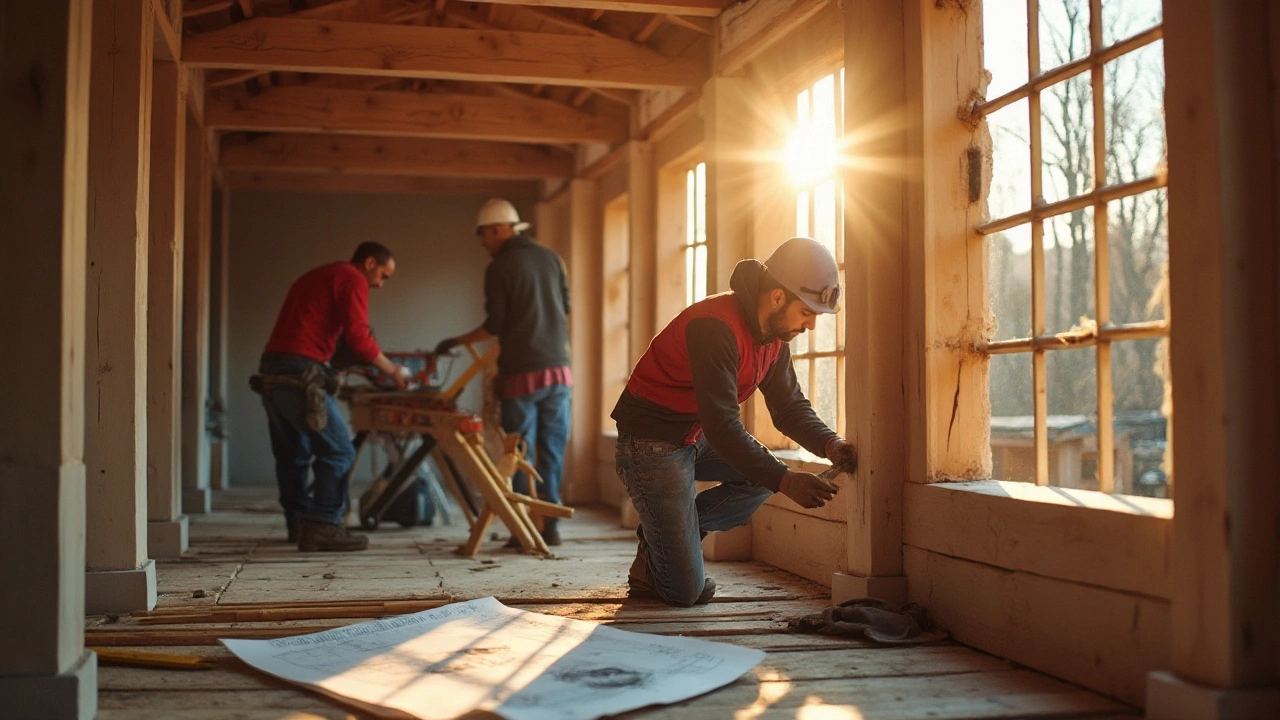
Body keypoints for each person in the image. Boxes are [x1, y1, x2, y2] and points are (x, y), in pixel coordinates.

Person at [611, 237, 859, 606]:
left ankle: (664, 539)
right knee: (685, 593)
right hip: (650, 442)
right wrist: (786, 481)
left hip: (691, 435)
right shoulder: (714, 327)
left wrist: (830, 444)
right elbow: (723, 427)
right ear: (777, 297)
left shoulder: (775, 337)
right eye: (807, 312)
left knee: (762, 476)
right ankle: (666, 543)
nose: (810, 326)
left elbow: (788, 407)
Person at [434, 198, 572, 546]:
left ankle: (522, 529)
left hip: (522, 374)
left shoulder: (499, 268)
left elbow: (495, 325)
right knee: (551, 450)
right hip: (559, 371)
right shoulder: (551, 259)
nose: (483, 244)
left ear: (497, 230)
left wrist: (456, 340)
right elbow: (565, 307)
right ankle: (550, 527)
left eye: (483, 236)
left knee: (515, 453)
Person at [256, 242, 411, 551]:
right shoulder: (352, 277)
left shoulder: (322, 275)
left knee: (293, 455)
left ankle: (299, 524)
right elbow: (358, 336)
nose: (380, 284)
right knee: (340, 451)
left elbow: (317, 331)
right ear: (369, 263)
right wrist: (393, 370)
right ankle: (325, 525)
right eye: (383, 275)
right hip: (300, 372)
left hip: (272, 371)